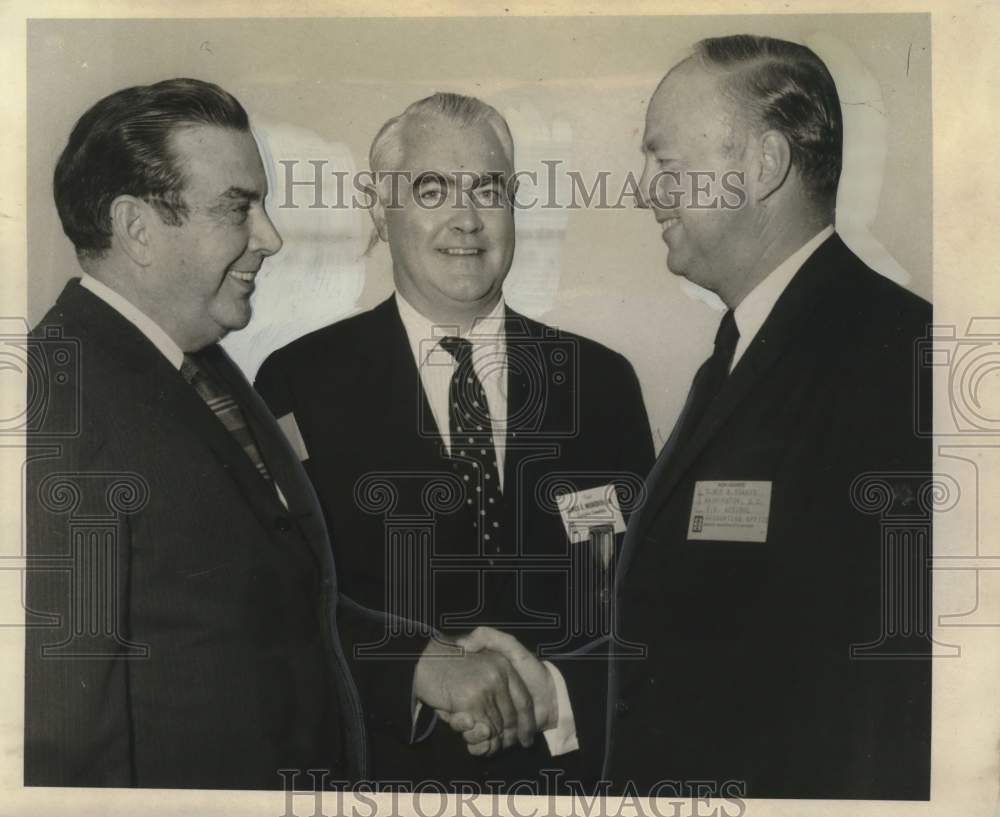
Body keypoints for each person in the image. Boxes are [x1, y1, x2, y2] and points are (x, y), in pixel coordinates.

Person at [24, 78, 538, 790]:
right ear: (138, 228)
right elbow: (53, 736)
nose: (269, 236)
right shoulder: (51, 399)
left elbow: (283, 603)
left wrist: (422, 658)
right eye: (239, 208)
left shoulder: (201, 368)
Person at [458, 35, 932, 800]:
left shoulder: (900, 358)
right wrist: (556, 692)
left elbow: (884, 693)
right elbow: (731, 636)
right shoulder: (745, 349)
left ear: (763, 166)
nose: (648, 191)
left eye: (667, 163)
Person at [253, 92, 654, 785]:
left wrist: (552, 696)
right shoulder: (298, 383)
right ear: (381, 208)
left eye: (489, 190)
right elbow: (279, 598)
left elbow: (635, 592)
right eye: (433, 189)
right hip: (383, 774)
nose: (466, 219)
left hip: (567, 774)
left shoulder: (601, 381)